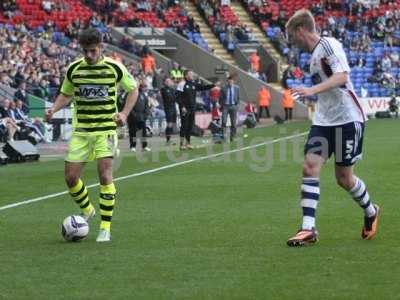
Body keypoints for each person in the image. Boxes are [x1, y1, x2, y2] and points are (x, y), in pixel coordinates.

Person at [285, 9, 379, 247]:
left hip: (348, 119)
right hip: (324, 121)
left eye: (292, 37)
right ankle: (308, 229)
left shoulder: (328, 45)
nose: (292, 43)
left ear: (300, 30)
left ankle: (370, 211)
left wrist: (311, 91)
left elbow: (342, 77)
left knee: (344, 178)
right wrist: (315, 96)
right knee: (310, 166)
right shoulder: (314, 56)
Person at [45, 28, 138, 242]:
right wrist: (54, 109)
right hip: (82, 131)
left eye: (93, 51)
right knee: (70, 178)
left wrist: (123, 113)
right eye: (85, 51)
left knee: (105, 174)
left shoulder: (115, 68)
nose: (88, 55)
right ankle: (88, 210)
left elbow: (133, 89)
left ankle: (105, 227)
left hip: (105, 129)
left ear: (101, 48)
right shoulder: (74, 69)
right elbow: (66, 93)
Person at [176, 70, 214, 150]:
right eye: (191, 74)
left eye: (192, 74)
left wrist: (213, 85)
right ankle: (181, 144)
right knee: (184, 126)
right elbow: (178, 97)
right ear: (186, 75)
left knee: (190, 126)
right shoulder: (181, 84)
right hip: (185, 109)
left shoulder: (193, 84)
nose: (192, 75)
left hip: (192, 108)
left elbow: (202, 87)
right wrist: (182, 107)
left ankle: (188, 143)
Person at [127, 81, 151, 152]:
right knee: (133, 132)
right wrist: (133, 114)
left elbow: (147, 106)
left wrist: (145, 114)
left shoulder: (143, 95)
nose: (139, 86)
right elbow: (128, 105)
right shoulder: (130, 94)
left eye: (139, 85)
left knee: (143, 132)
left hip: (142, 117)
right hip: (133, 117)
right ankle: (133, 146)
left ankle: (144, 146)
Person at [220, 75, 240, 142]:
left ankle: (232, 137)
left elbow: (238, 97)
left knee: (233, 123)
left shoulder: (237, 88)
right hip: (225, 106)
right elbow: (220, 98)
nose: (230, 82)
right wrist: (221, 105)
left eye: (231, 81)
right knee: (223, 121)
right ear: (227, 81)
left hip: (233, 106)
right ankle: (223, 135)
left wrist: (237, 105)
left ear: (233, 81)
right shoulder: (223, 88)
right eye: (229, 81)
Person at [160, 77, 177, 144]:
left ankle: (169, 138)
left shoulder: (172, 89)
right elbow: (169, 97)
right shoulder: (163, 89)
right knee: (169, 124)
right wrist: (175, 97)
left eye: (169, 81)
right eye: (167, 81)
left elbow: (176, 98)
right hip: (168, 108)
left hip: (173, 108)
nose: (168, 82)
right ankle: (168, 140)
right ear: (164, 82)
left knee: (172, 124)